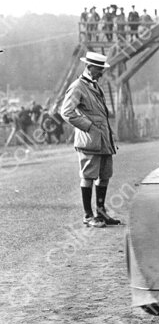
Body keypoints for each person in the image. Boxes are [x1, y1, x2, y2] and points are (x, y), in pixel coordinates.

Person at [60, 52, 119, 227]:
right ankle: (88, 215)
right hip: (90, 140)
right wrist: (88, 126)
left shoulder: (95, 86)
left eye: (102, 69)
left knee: (105, 175)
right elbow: (66, 112)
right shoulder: (77, 86)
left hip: (103, 140)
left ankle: (101, 213)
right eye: (99, 69)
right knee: (88, 176)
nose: (101, 72)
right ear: (89, 67)